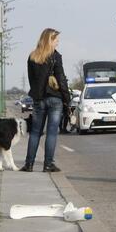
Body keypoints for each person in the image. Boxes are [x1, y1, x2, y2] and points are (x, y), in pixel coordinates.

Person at [20, 28, 71, 173]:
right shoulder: (55, 57)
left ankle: (29, 164)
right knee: (52, 132)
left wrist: (36, 94)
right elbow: (61, 79)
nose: (58, 43)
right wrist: (67, 99)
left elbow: (31, 79)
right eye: (56, 40)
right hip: (55, 99)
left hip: (38, 99)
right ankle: (48, 164)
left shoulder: (33, 56)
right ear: (50, 40)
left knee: (35, 132)